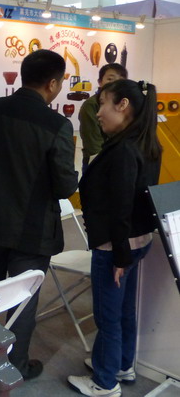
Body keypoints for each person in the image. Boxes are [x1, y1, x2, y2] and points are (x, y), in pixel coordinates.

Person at [0, 49, 78, 380]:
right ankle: (15, 365)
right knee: (22, 298)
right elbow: (65, 185)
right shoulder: (57, 124)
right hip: (31, 227)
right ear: (52, 84)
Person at [68, 79, 161, 397]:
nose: (98, 113)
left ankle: (104, 382)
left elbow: (121, 207)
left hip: (116, 246)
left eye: (103, 104)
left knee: (108, 316)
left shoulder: (123, 150)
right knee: (123, 310)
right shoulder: (145, 142)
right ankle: (121, 364)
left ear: (123, 105)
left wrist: (119, 256)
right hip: (138, 240)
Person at [79, 63, 129, 173]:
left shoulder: (127, 104)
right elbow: (94, 145)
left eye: (121, 80)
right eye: (110, 79)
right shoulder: (91, 105)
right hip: (97, 163)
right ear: (100, 82)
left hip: (122, 162)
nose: (115, 84)